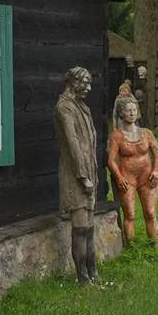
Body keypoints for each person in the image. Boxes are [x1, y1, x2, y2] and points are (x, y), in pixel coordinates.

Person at [53, 66, 99, 284]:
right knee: (80, 227)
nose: (89, 88)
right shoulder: (64, 108)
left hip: (89, 172)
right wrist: (83, 176)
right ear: (74, 82)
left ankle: (94, 272)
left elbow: (89, 143)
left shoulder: (83, 108)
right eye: (85, 83)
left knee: (89, 227)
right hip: (75, 176)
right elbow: (73, 145)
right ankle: (83, 278)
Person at [109, 98, 158, 246]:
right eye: (128, 110)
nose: (132, 113)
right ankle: (131, 246)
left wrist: (156, 171)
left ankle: (155, 243)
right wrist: (119, 178)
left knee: (150, 213)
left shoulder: (146, 133)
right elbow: (111, 160)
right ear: (121, 113)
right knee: (130, 214)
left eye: (134, 110)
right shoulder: (117, 136)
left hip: (147, 177)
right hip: (128, 179)